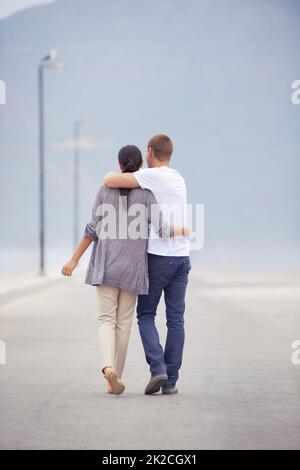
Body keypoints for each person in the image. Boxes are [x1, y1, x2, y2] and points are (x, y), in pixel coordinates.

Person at [62, 144, 188, 396]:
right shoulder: (146, 194)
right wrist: (181, 230)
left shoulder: (104, 190)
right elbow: (163, 231)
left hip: (106, 264)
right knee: (124, 323)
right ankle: (116, 375)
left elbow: (92, 230)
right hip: (133, 269)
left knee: (106, 320)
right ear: (140, 166)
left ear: (120, 165)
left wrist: (74, 260)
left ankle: (108, 370)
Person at [104, 134, 191, 395]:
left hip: (158, 258)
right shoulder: (178, 177)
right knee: (176, 319)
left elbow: (111, 180)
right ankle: (171, 381)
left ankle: (158, 369)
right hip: (182, 258)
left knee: (145, 315)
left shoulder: (154, 176)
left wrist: (127, 171)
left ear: (151, 152)